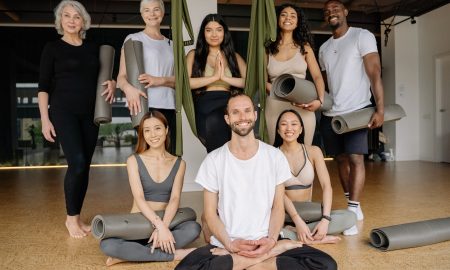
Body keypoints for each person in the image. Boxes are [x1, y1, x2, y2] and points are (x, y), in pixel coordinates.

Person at [176, 92, 337, 270]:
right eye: (235, 112)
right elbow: (209, 214)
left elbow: (277, 206)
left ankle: (243, 262)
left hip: (267, 240)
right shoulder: (214, 160)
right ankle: (263, 260)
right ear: (227, 119)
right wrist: (230, 245)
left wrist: (272, 241)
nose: (242, 117)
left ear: (255, 115)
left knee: (327, 264)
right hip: (227, 242)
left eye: (247, 111)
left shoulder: (274, 156)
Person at [38, 0, 116, 238]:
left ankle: (78, 216)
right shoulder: (52, 48)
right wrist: (45, 120)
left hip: (89, 114)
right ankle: (71, 219)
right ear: (60, 21)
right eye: (67, 16)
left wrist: (112, 83)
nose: (71, 20)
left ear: (84, 21)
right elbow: (43, 88)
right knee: (78, 162)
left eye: (76, 16)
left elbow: (103, 75)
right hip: (63, 111)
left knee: (84, 168)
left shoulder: (92, 48)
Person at [100, 111, 201, 266]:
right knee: (107, 245)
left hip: (167, 220)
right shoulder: (133, 161)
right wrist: (158, 225)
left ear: (166, 130)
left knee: (193, 228)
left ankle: (132, 255)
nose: (152, 134)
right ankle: (173, 254)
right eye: (147, 130)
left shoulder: (179, 163)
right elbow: (139, 198)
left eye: (157, 128)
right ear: (143, 134)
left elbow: (175, 198)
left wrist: (164, 226)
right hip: (140, 222)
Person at [319, 0, 385, 235]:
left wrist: (380, 108)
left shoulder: (362, 36)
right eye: (327, 11)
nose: (331, 13)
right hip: (331, 113)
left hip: (357, 110)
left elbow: (374, 71)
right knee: (340, 160)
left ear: (346, 12)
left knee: (356, 158)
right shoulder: (324, 48)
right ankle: (352, 205)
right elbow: (324, 84)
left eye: (336, 8)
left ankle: (353, 209)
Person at [273, 110, 356, 241]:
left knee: (350, 217)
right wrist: (297, 220)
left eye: (294, 124)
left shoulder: (313, 151)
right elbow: (279, 193)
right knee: (262, 224)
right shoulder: (273, 155)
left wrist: (325, 220)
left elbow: (326, 186)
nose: (289, 128)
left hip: (309, 212)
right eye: (284, 124)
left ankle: (291, 235)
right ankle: (315, 239)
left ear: (300, 129)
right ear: (278, 130)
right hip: (284, 214)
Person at [117, 0, 177, 154]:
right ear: (142, 14)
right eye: (147, 10)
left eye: (156, 9)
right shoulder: (133, 39)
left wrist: (160, 80)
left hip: (169, 106)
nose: (152, 14)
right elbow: (121, 77)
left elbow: (180, 81)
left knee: (169, 153)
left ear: (162, 13)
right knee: (147, 153)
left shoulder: (171, 44)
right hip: (144, 105)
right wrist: (128, 89)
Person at [265, 4, 326, 146]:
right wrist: (281, 92)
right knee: (276, 152)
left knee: (304, 150)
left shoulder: (305, 47)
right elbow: (262, 81)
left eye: (293, 16)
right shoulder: (267, 48)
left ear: (298, 22)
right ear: (277, 19)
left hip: (302, 104)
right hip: (275, 104)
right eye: (284, 14)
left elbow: (317, 76)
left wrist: (320, 101)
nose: (288, 18)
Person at [186, 14, 247, 153]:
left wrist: (224, 77)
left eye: (219, 29)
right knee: (213, 123)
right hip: (204, 104)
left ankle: (219, 170)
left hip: (228, 104)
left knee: (223, 130)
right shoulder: (193, 55)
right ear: (203, 33)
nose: (214, 34)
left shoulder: (234, 57)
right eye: (209, 30)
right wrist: (214, 77)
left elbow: (248, 82)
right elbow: (187, 83)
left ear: (224, 33)